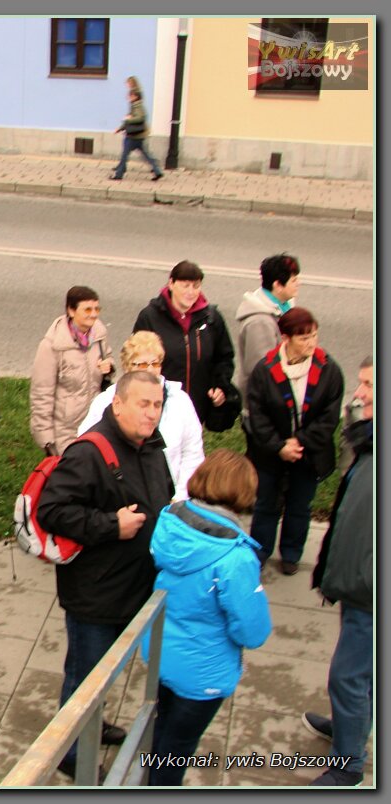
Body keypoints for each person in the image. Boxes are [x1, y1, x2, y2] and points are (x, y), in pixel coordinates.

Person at [37, 370, 174, 780]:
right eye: (143, 404)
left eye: (157, 405)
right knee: (84, 677)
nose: (152, 413)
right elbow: (52, 511)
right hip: (95, 597)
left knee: (101, 673)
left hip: (130, 590)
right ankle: (72, 753)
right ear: (118, 404)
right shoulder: (89, 452)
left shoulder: (150, 446)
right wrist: (111, 526)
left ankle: (94, 723)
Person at [144, 450, 272, 786]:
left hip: (162, 654)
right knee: (178, 748)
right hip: (203, 674)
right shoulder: (237, 558)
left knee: (163, 729)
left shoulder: (170, 521)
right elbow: (253, 631)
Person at [302, 357, 373, 786]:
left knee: (348, 676)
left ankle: (348, 767)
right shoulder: (371, 439)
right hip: (359, 583)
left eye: (368, 385)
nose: (359, 393)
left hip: (370, 591)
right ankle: (351, 729)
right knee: (359, 674)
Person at [246, 307, 344, 575]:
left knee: (300, 506)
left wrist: (297, 443)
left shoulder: (328, 370)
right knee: (266, 504)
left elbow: (329, 418)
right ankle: (260, 550)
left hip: (309, 454)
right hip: (270, 454)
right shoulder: (265, 371)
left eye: (314, 336)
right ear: (285, 338)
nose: (311, 343)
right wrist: (279, 446)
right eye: (304, 338)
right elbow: (258, 416)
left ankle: (291, 553)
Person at [77, 331, 203, 501]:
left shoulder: (180, 401)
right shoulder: (107, 401)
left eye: (155, 363)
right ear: (128, 366)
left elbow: (192, 453)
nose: (150, 370)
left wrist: (179, 496)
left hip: (171, 503)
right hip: (121, 499)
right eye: (142, 364)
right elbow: (86, 444)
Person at [133, 260, 235, 426]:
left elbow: (224, 357)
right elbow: (135, 362)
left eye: (196, 286)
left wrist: (219, 385)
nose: (191, 292)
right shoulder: (150, 317)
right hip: (159, 409)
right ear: (171, 284)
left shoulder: (211, 318)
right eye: (185, 285)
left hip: (196, 410)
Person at [30, 286, 114, 458]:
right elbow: (41, 393)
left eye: (97, 309)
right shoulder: (52, 346)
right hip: (66, 431)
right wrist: (46, 438)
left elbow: (109, 360)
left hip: (96, 424)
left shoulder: (99, 336)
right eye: (88, 309)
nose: (94, 314)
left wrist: (109, 367)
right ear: (71, 310)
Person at [234, 253, 301, 433]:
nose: (298, 284)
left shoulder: (284, 307)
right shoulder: (260, 322)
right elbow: (261, 372)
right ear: (277, 285)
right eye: (293, 280)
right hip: (264, 410)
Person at [110, 76, 163, 182]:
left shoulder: (137, 106)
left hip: (133, 135)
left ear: (134, 96)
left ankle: (119, 174)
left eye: (129, 96)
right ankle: (157, 171)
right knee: (146, 155)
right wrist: (121, 127)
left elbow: (139, 118)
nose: (128, 98)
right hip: (139, 135)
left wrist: (128, 119)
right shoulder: (136, 105)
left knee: (125, 155)